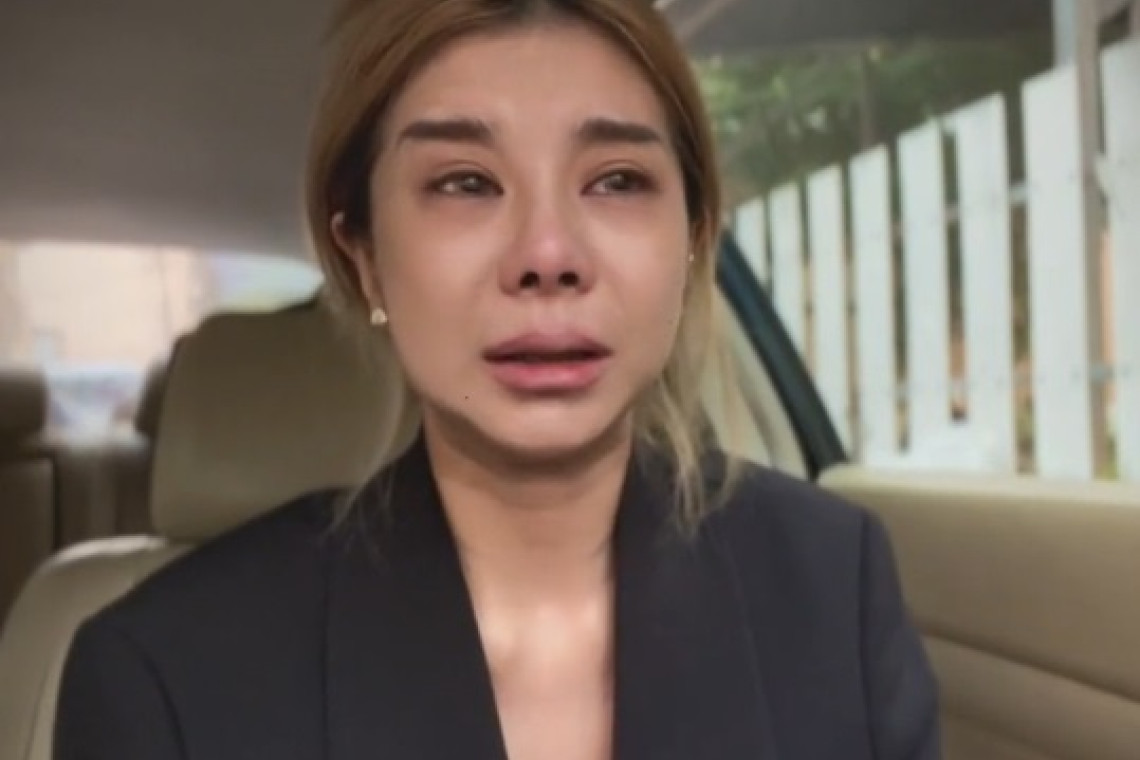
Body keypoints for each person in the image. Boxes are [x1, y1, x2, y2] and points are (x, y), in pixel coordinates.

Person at [53, 0, 941, 758]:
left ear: (694, 236)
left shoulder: (833, 589)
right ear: (365, 258)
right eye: (465, 183)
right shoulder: (162, 676)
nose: (547, 253)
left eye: (617, 179)